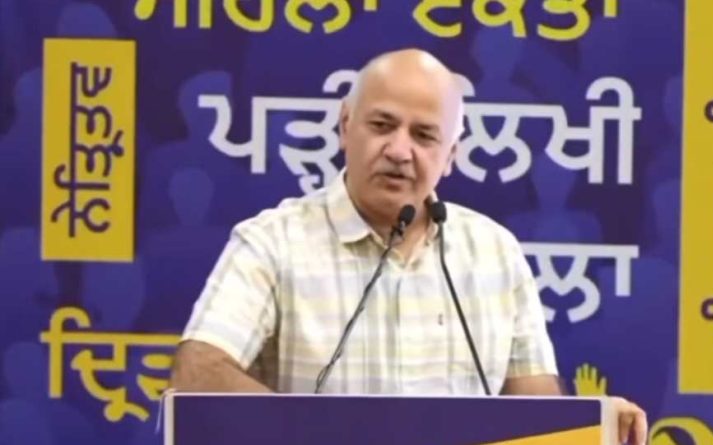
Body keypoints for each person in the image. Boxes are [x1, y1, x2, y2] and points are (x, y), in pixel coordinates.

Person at [169, 48, 648, 445]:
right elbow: (198, 374)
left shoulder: (494, 252)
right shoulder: (273, 242)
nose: (400, 151)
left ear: (451, 155)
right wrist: (310, 434)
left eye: (424, 135)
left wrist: (596, 427)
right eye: (382, 125)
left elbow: (538, 414)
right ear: (345, 126)